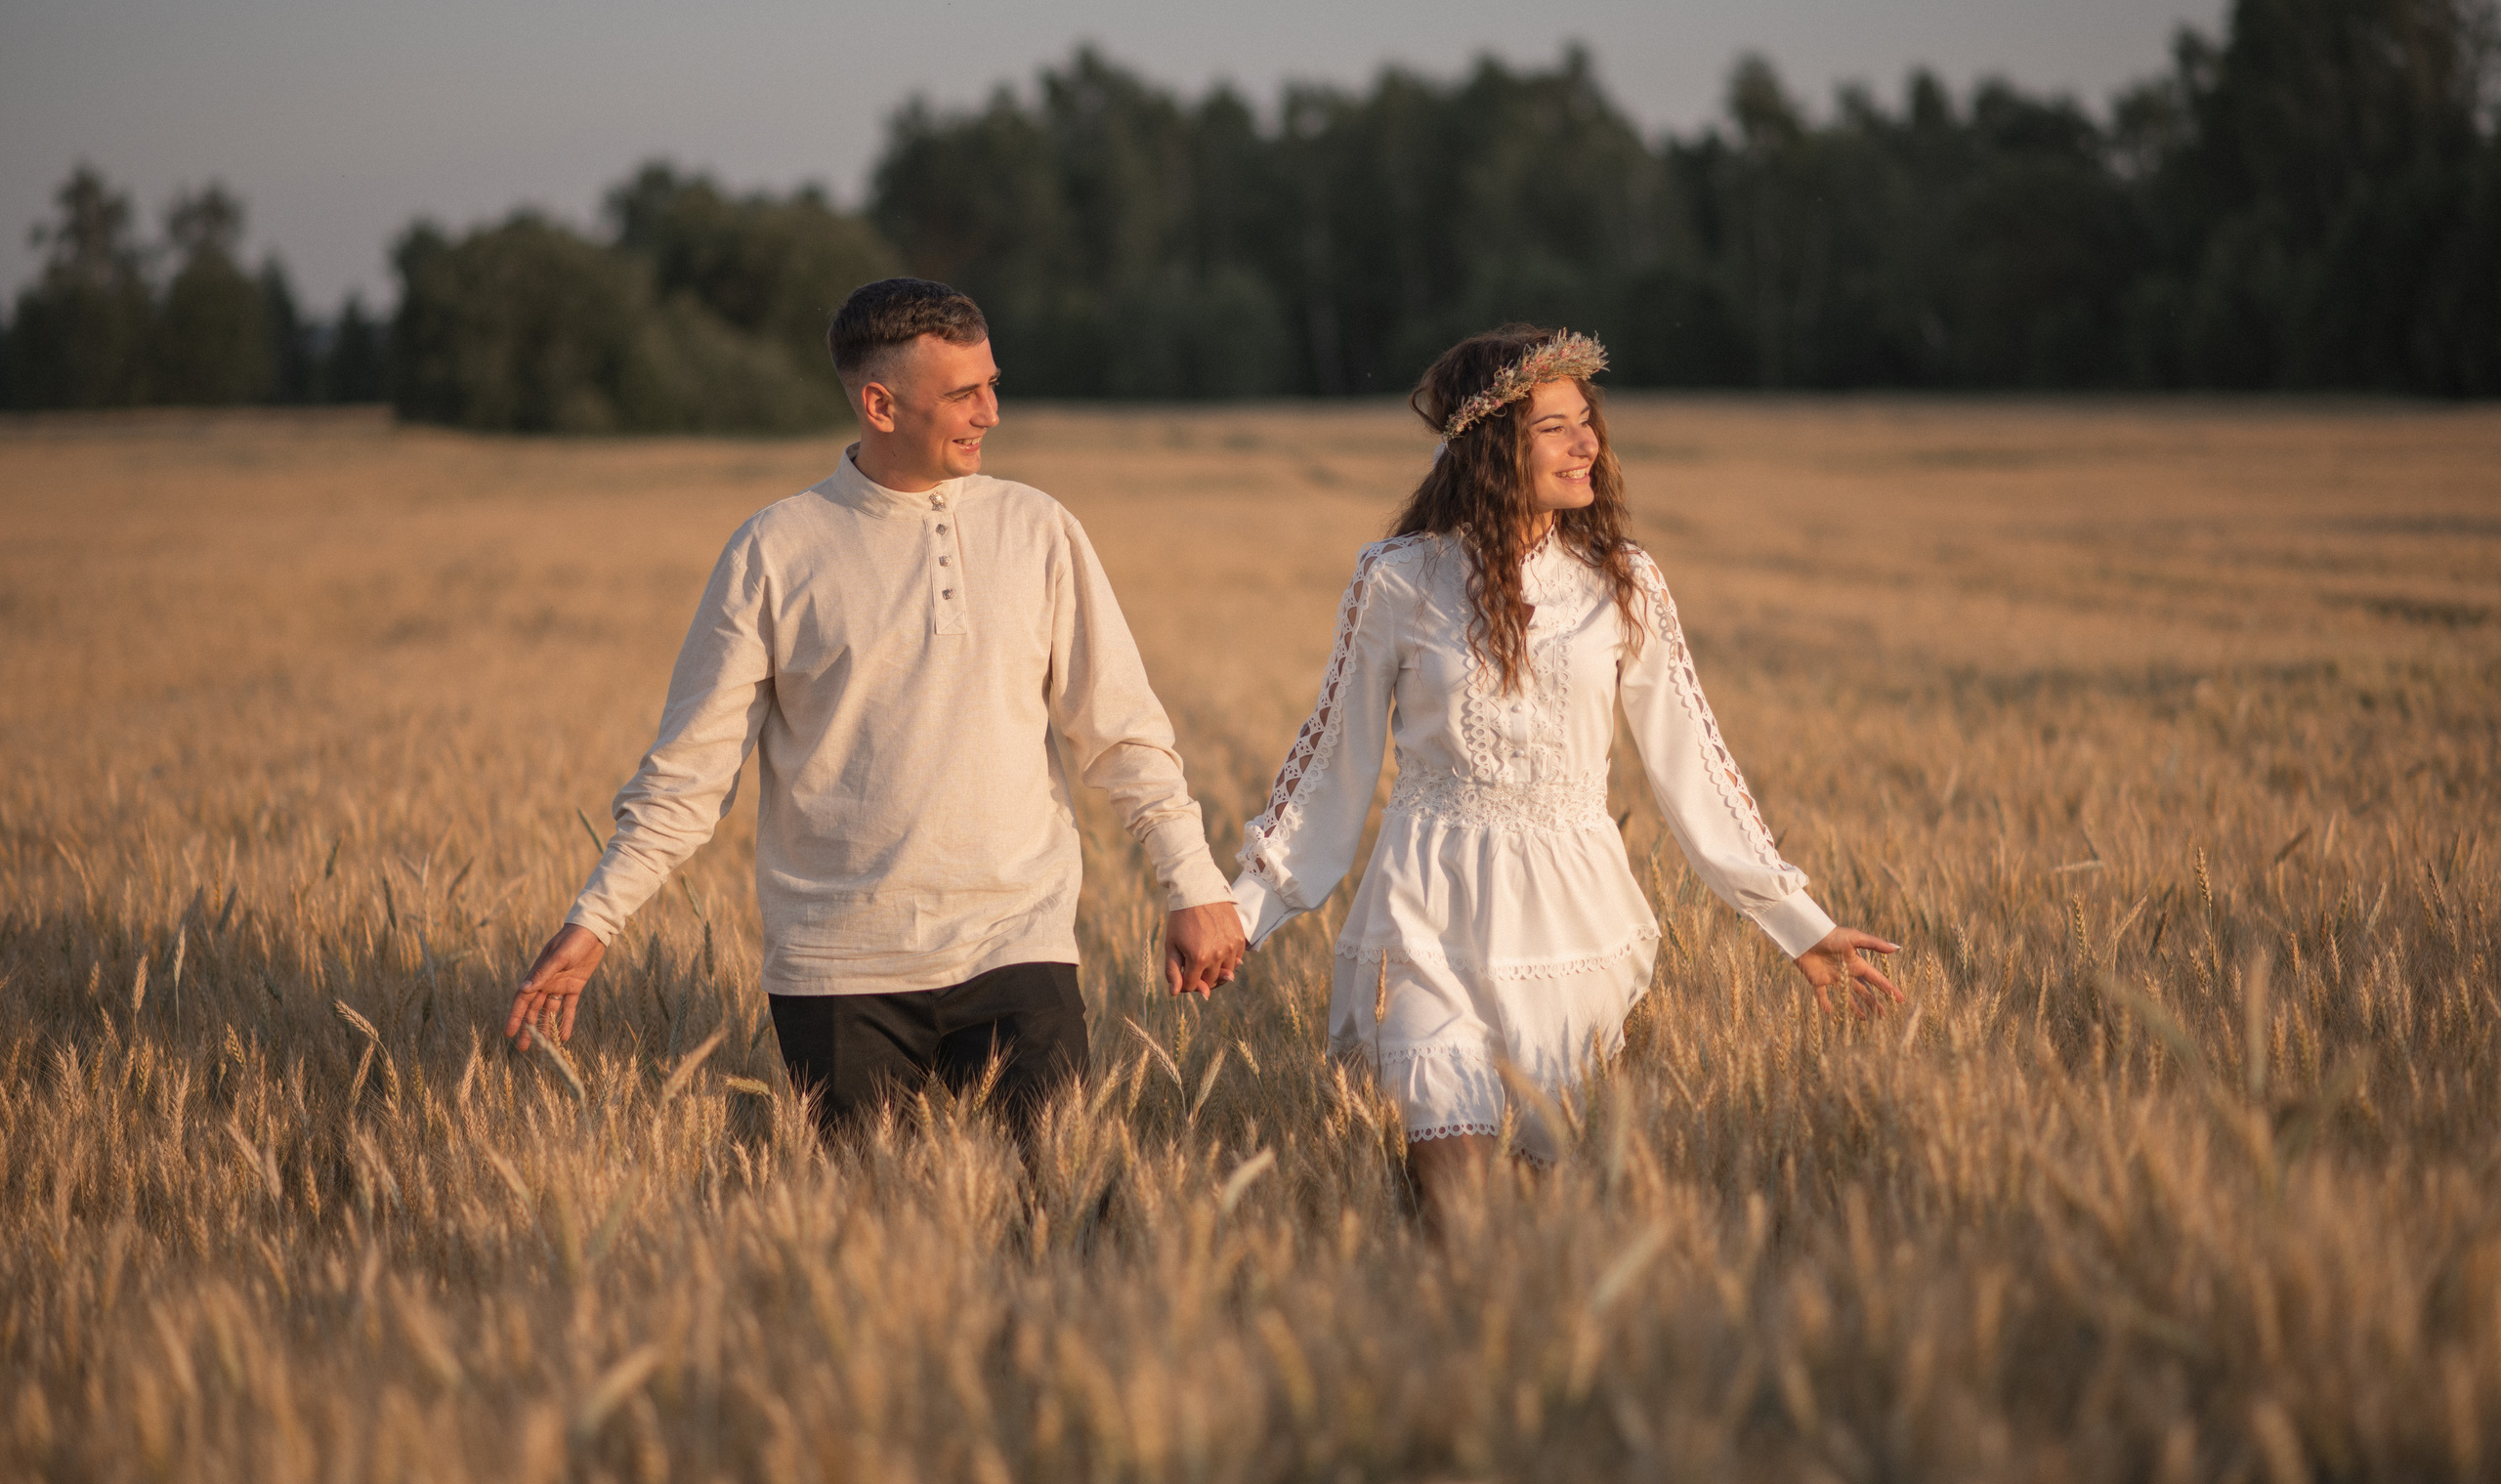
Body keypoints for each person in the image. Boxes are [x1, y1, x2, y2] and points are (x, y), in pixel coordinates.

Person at [504, 277, 1247, 1142]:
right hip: (836, 969)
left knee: (1063, 1206)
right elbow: (689, 774)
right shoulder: (774, 550)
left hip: (1019, 944)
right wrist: (596, 918)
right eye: (964, 394)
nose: (991, 412)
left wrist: (1192, 880)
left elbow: (1122, 731)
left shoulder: (1037, 528)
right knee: (868, 1220)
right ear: (880, 404)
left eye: (992, 384)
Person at [1229, 324, 1900, 1226]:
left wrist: (1798, 924)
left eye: (1588, 421)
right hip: (1425, 915)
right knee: (1457, 1207)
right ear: (1491, 442)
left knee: (1539, 1222)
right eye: (1556, 426)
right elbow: (1329, 766)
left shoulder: (1624, 582)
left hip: (1571, 923)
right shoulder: (1397, 579)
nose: (1587, 443)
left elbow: (1696, 765)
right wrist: (1242, 914)